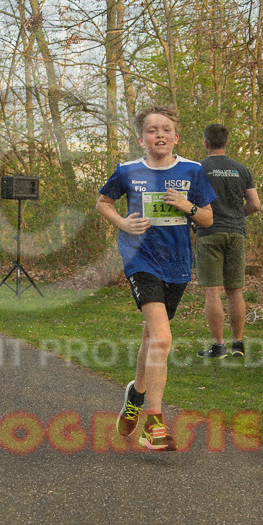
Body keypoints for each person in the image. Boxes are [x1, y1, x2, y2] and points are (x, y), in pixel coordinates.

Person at [97, 104, 216, 451]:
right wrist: (123, 223)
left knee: (152, 337)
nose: (159, 134)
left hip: (178, 264)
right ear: (141, 139)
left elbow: (208, 218)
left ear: (176, 137)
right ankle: (154, 424)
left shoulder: (193, 171)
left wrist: (187, 206)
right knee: (163, 338)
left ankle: (136, 392)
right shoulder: (127, 171)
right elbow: (103, 202)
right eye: (152, 130)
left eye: (165, 129)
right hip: (140, 259)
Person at [196, 124, 262, 359]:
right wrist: (236, 215)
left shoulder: (198, 169)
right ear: (226, 143)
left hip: (209, 233)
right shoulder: (241, 169)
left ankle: (218, 346)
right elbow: (255, 204)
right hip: (236, 233)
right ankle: (238, 344)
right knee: (235, 291)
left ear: (206, 143)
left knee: (212, 292)